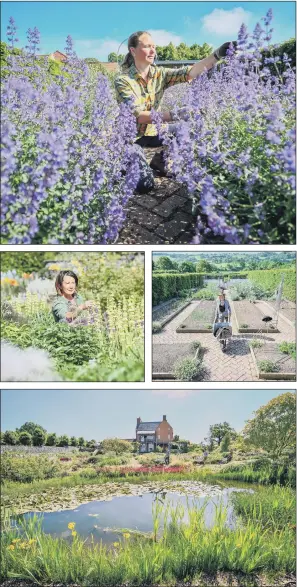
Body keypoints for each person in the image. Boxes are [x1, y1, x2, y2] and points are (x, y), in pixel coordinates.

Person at [115, 31, 236, 193]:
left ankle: (160, 162)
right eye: (147, 47)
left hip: (153, 131)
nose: (153, 51)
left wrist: (217, 55)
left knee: (188, 127)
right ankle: (124, 162)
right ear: (133, 51)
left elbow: (190, 72)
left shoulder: (160, 74)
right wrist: (175, 114)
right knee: (145, 186)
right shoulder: (123, 81)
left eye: (154, 47)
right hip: (130, 137)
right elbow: (139, 115)